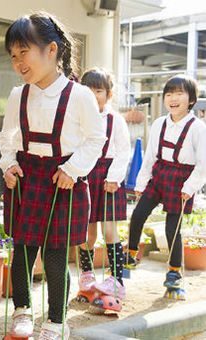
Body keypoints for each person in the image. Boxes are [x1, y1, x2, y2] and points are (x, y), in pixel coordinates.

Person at [0, 12, 106, 340]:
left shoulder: (80, 95)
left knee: (57, 257)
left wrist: (72, 171)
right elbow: (7, 137)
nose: (18, 62)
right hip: (28, 177)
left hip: (63, 180)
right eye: (13, 55)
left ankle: (57, 322)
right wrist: (8, 164)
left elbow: (95, 139)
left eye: (24, 52)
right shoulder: (19, 95)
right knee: (22, 252)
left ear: (51, 50)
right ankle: (22, 311)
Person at [127, 75, 206, 292]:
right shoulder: (160, 123)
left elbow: (203, 165)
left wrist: (189, 188)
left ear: (191, 99)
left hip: (181, 181)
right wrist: (141, 183)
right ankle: (131, 254)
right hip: (159, 176)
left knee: (173, 229)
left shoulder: (197, 127)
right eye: (169, 94)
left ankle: (174, 271)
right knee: (138, 214)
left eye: (179, 93)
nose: (173, 98)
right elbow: (150, 156)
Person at [76, 68, 131, 300]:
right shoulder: (77, 119)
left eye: (98, 90)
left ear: (108, 95)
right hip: (85, 177)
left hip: (108, 178)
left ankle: (116, 280)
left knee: (109, 230)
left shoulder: (115, 120)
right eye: (87, 89)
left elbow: (123, 151)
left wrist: (113, 178)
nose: (92, 94)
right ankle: (87, 276)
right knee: (86, 233)